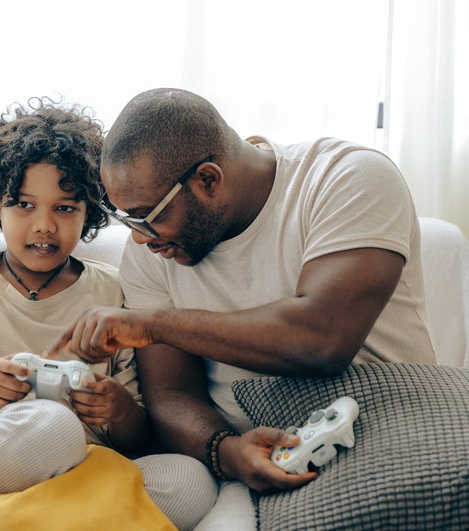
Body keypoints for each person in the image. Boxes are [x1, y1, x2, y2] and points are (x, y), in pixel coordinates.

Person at [48, 88, 437, 493]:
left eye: (148, 217)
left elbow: (320, 341)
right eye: (128, 219)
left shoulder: (346, 178)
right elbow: (172, 393)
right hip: (266, 459)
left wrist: (154, 325)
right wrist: (227, 452)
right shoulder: (149, 254)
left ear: (208, 179)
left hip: (394, 427)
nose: (141, 239)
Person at [0, 97, 216, 529]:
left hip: (88, 466)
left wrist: (118, 409)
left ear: (90, 211)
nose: (44, 225)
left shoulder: (113, 290)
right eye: (23, 204)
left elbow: (139, 438)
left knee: (191, 480)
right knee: (52, 427)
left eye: (66, 208)